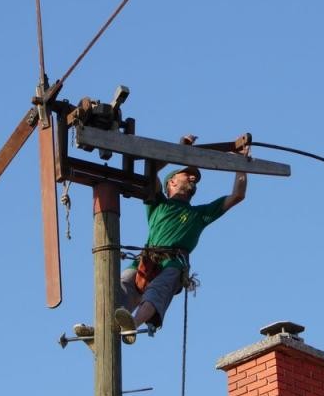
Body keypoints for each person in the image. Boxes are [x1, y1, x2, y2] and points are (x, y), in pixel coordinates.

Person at [74, 135, 248, 345]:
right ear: (171, 182)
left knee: (157, 292)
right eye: (188, 175)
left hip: (173, 263)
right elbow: (152, 170)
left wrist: (241, 164)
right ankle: (99, 332)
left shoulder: (200, 214)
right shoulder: (158, 203)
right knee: (119, 286)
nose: (193, 179)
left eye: (194, 178)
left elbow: (237, 194)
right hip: (145, 259)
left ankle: (132, 325)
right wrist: (178, 150)